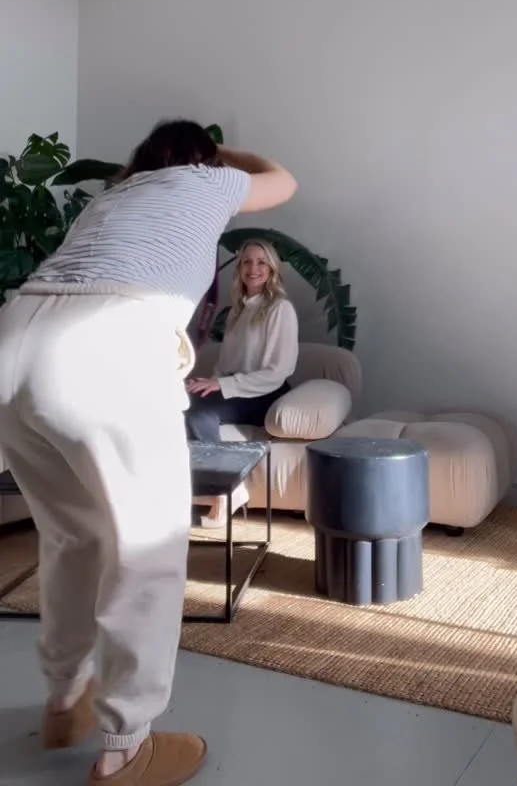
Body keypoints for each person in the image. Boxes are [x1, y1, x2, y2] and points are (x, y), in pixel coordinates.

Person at [0, 120, 296, 786]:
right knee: (147, 550)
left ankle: (64, 698)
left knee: (72, 534)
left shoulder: (115, 194)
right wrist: (223, 155)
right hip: (106, 340)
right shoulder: (207, 181)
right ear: (203, 159)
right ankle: (126, 749)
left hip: (14, 337)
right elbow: (283, 180)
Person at [186, 240, 298, 526]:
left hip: (266, 392)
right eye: (247, 261)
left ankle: (227, 491)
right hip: (237, 390)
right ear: (239, 269)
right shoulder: (238, 310)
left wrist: (223, 385)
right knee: (186, 399)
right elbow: (226, 362)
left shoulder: (280, 309)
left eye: (261, 262)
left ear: (272, 269)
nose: (253, 268)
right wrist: (211, 382)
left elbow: (278, 371)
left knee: (200, 413)